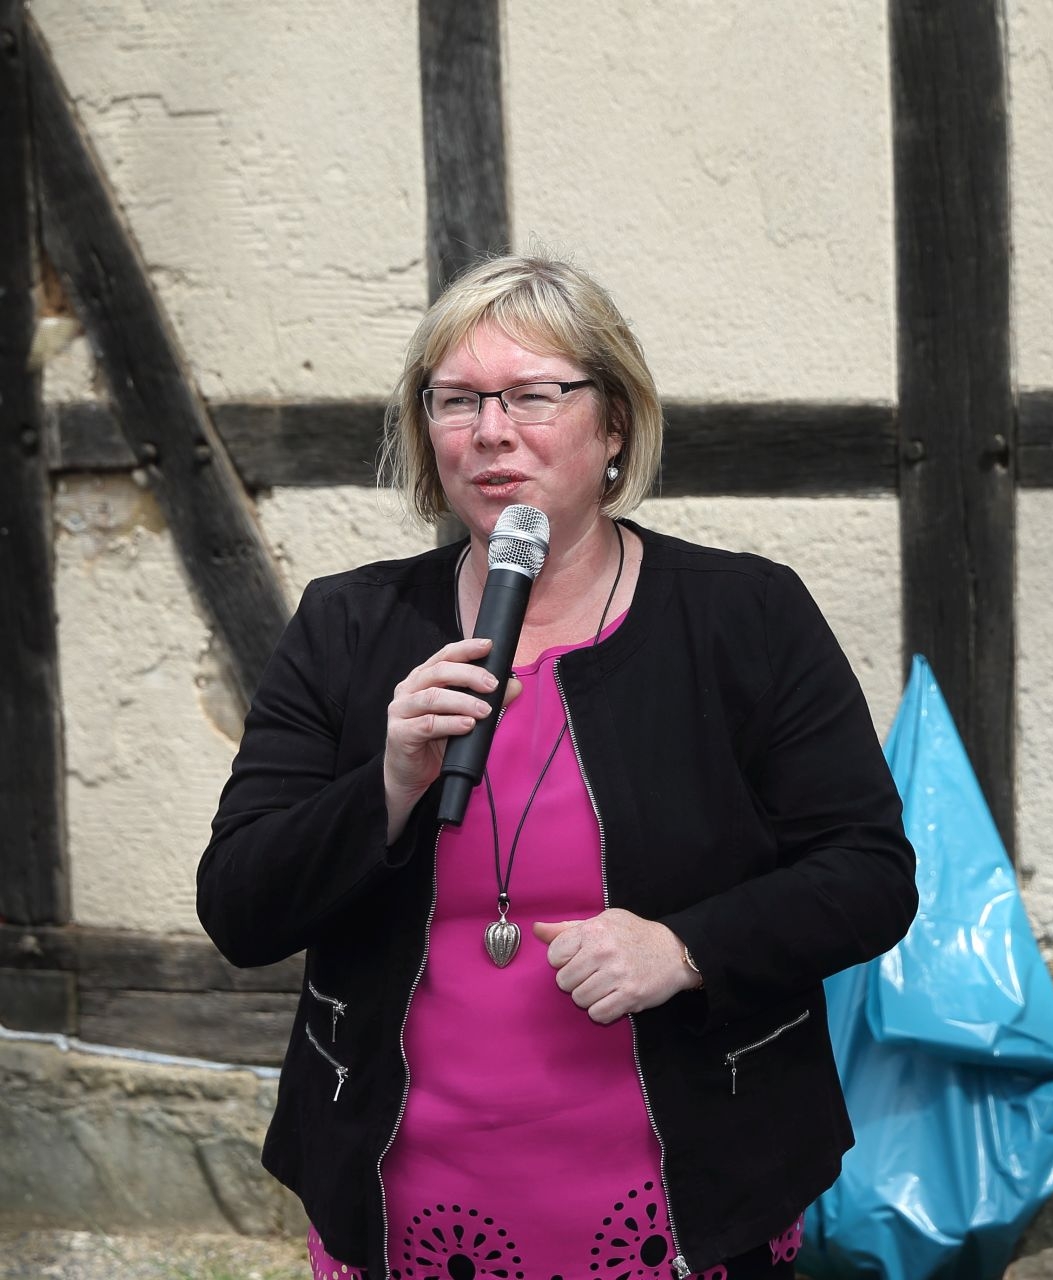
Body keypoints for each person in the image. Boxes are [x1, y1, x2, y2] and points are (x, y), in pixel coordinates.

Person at [198, 254, 917, 1280]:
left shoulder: (743, 616)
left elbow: (869, 874)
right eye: (456, 399)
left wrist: (685, 947)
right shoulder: (349, 625)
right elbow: (238, 906)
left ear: (613, 425)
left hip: (683, 1196)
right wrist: (389, 783)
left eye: (534, 394)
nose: (491, 431)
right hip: (406, 1202)